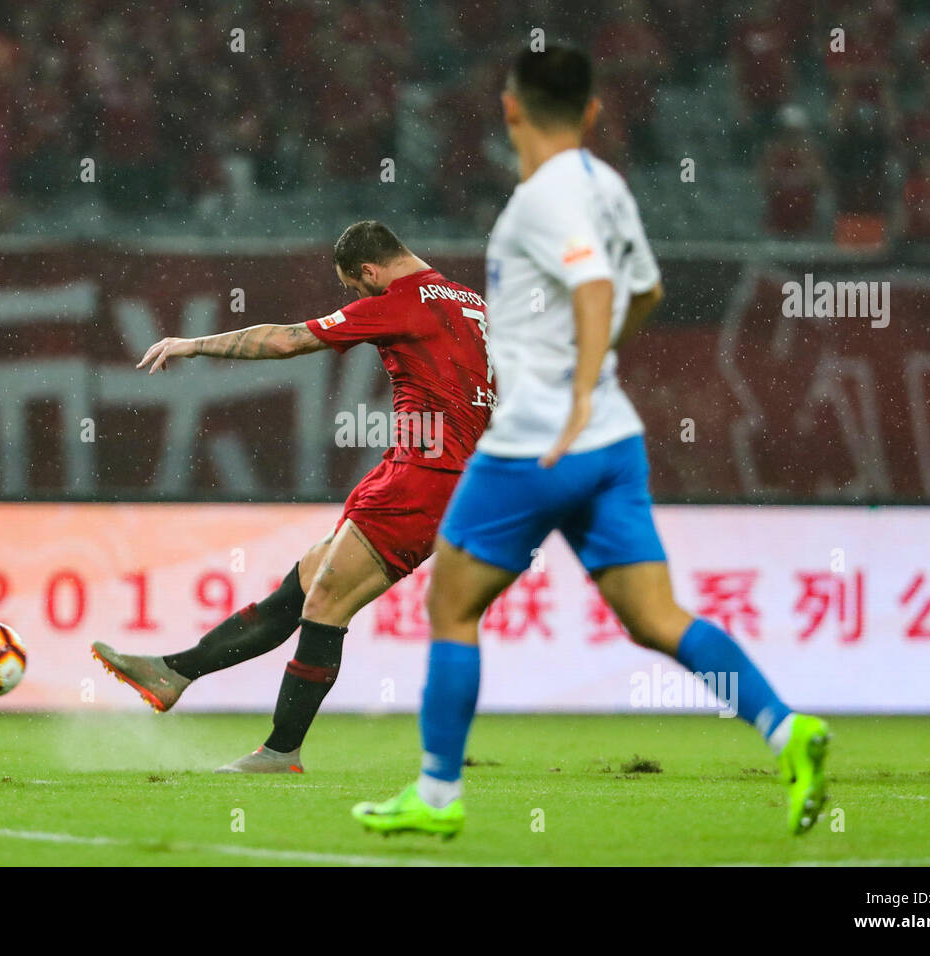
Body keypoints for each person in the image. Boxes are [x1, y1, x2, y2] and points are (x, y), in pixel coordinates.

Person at [353, 45, 830, 839]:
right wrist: (596, 373)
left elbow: (599, 286)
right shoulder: (607, 186)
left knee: (452, 603)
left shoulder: (543, 200)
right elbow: (646, 290)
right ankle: (786, 728)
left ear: (510, 110)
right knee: (656, 618)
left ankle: (437, 796)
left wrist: (570, 393)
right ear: (594, 111)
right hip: (612, 444)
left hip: (538, 440)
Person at [92, 221, 493, 773]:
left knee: (326, 601)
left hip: (424, 475)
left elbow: (288, 339)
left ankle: (282, 752)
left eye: (355, 287)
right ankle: (174, 671)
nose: (355, 298)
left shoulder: (402, 300)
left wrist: (194, 345)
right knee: (303, 585)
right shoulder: (467, 300)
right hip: (433, 471)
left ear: (371, 271)